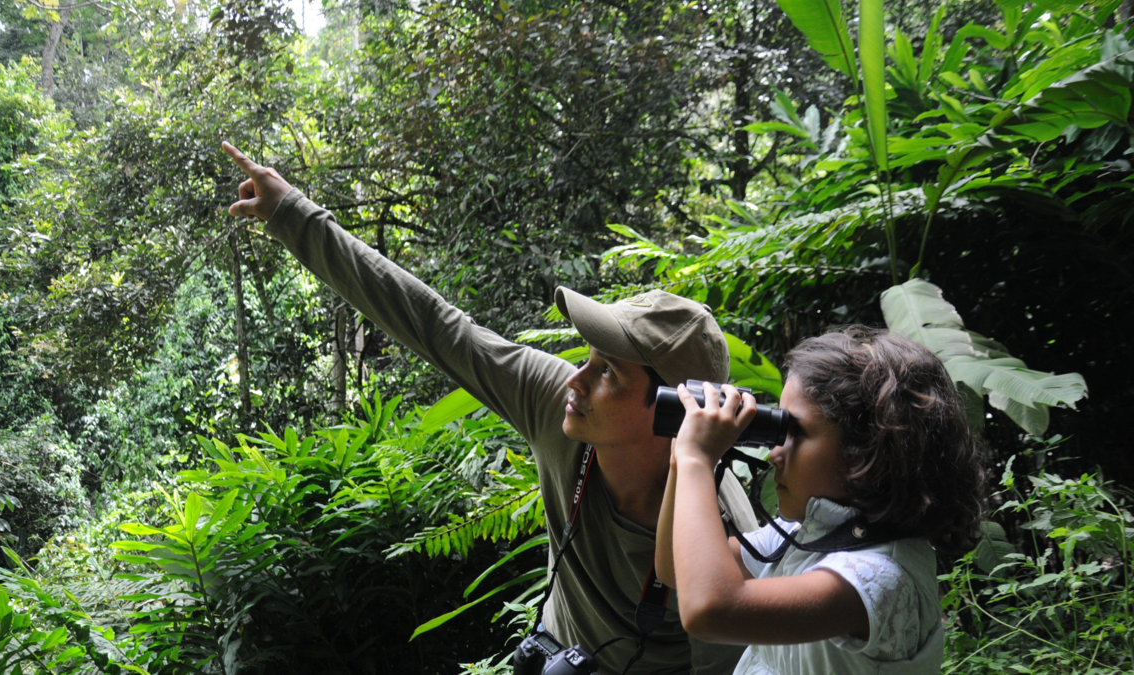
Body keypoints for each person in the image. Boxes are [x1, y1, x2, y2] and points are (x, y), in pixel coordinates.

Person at [221, 142, 746, 674]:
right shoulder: (558, 403)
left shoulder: (718, 533)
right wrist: (293, 215)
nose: (576, 379)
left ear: (674, 412)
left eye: (607, 371)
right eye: (587, 359)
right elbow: (435, 326)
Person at [655, 327, 987, 675]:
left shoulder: (879, 578)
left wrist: (697, 460)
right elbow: (673, 569)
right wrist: (680, 459)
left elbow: (711, 610)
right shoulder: (804, 534)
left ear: (868, 451)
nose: (774, 454)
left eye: (797, 431)